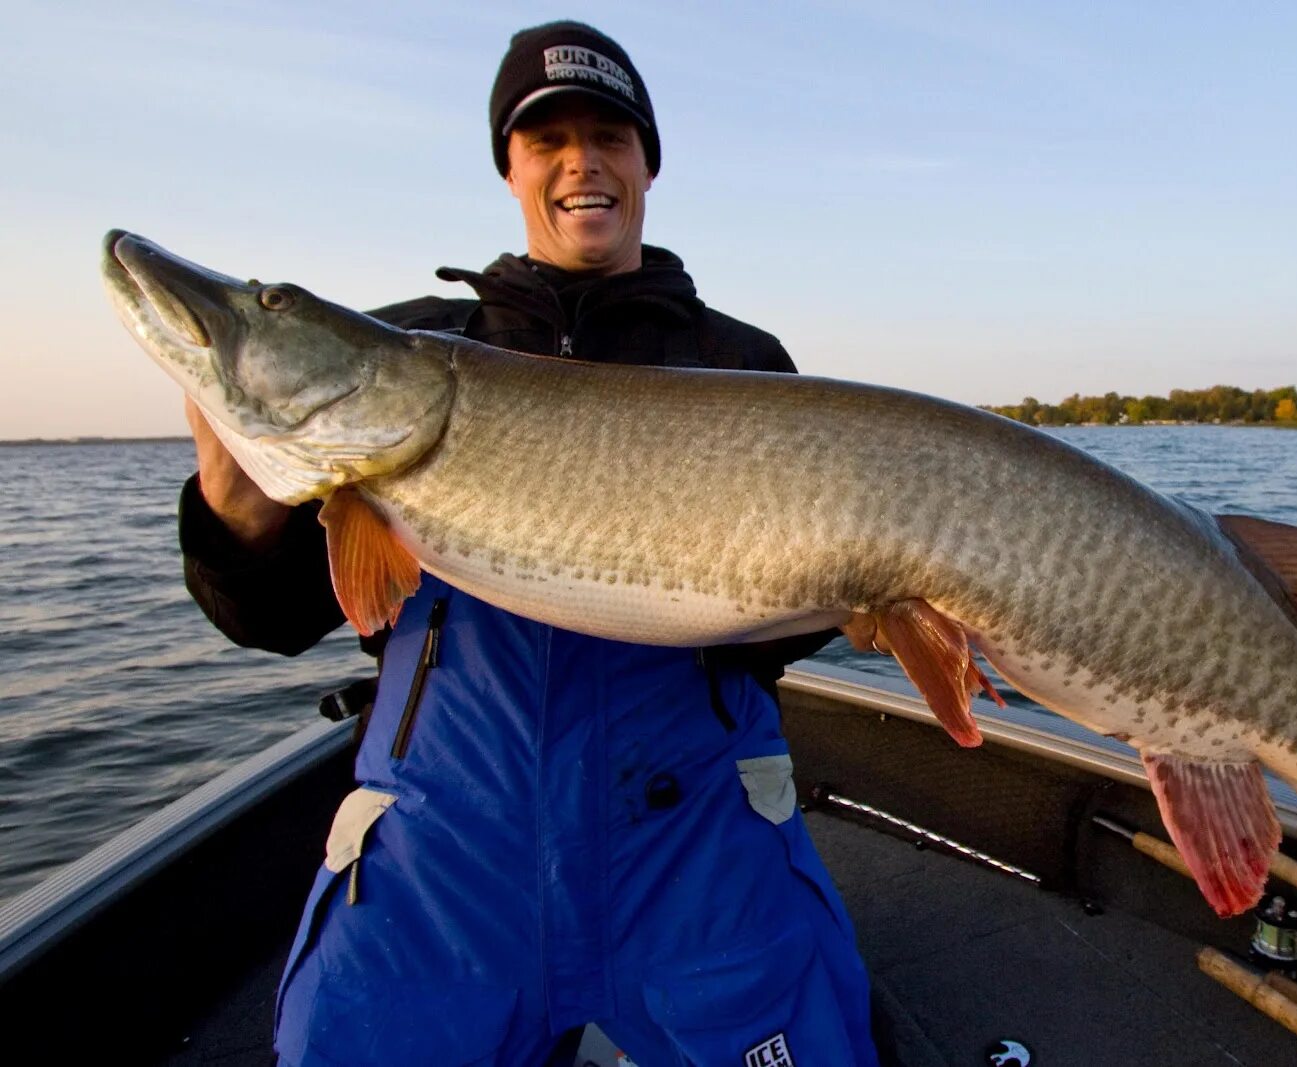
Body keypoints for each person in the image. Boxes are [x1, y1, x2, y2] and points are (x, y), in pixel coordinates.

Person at [178, 21, 880, 1067]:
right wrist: (239, 513)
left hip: (690, 831)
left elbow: (766, 635)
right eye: (546, 139)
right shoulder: (404, 348)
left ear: (647, 162)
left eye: (609, 135)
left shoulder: (738, 363)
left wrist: (857, 596)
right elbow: (271, 620)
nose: (580, 161)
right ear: (510, 168)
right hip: (445, 844)